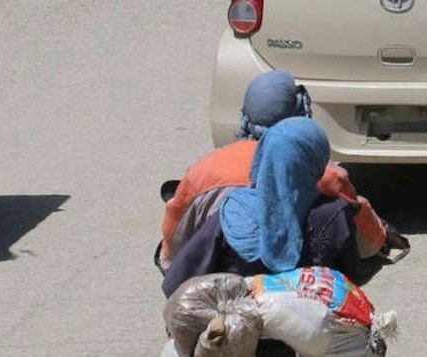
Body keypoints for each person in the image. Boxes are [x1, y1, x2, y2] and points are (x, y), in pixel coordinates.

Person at [159, 71, 399, 270]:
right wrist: (382, 235)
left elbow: (175, 241)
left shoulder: (205, 170)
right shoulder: (328, 176)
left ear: (245, 115)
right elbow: (365, 239)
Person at [159, 116, 364, 296]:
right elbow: (352, 279)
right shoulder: (334, 213)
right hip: (311, 329)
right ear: (317, 162)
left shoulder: (233, 211)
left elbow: (178, 280)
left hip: (237, 326)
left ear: (262, 156)